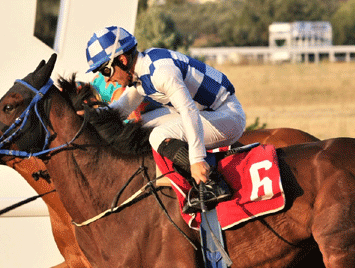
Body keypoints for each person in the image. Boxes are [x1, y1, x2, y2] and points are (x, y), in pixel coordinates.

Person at [84, 26, 246, 213]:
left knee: (157, 135)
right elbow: (121, 109)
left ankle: (212, 182)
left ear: (122, 60)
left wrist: (196, 159)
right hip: (207, 114)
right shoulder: (143, 70)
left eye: (106, 71)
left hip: (227, 117)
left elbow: (189, 111)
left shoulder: (161, 72)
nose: (106, 80)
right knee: (142, 126)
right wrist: (86, 117)